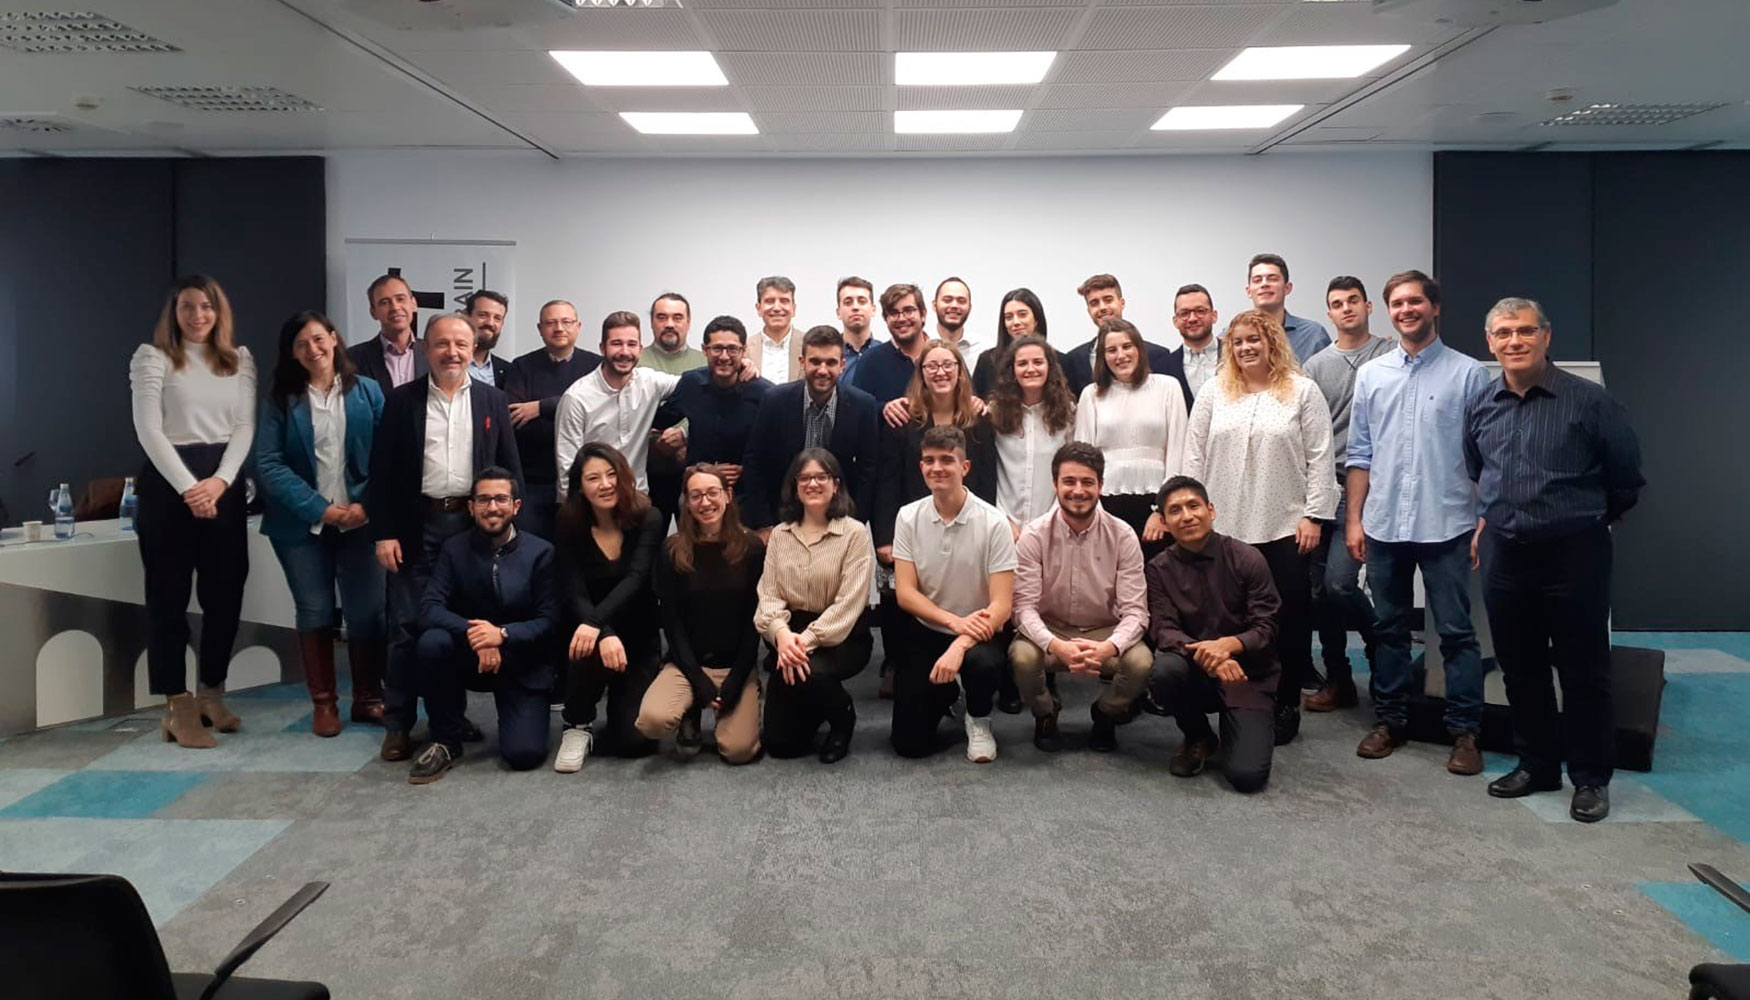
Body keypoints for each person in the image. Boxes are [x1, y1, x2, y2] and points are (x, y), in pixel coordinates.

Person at [1467, 297, 1644, 823]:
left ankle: (1589, 778)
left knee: (1584, 671)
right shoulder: (1482, 403)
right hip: (1505, 553)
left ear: (1546, 337)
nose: (1513, 342)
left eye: (1524, 331)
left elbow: (1625, 481)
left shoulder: (1591, 402)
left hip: (1574, 554)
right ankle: (1537, 764)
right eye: (1503, 333)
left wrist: (1576, 519)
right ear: (1490, 342)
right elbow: (1478, 467)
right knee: (1519, 668)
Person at [1346, 270, 1491, 775]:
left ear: (1435, 308)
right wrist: (1354, 521)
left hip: (1446, 524)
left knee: (1455, 632)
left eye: (1415, 302)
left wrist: (1479, 521)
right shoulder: (1372, 376)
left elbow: (1482, 456)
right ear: (1389, 311)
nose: (1406, 310)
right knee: (1387, 629)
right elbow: (1360, 453)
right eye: (1398, 303)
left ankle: (1465, 732)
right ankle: (1389, 721)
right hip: (1384, 523)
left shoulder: (1469, 374)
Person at [368, 313, 523, 762]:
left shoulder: (493, 400)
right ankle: (397, 724)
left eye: (461, 343)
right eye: (442, 344)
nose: (452, 352)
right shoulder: (400, 401)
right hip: (418, 526)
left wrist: (509, 531)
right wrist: (384, 533)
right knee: (405, 628)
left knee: (461, 627)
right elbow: (382, 474)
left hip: (475, 528)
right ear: (424, 348)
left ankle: (448, 720)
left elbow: (509, 470)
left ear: (473, 347)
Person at [1183, 309, 1334, 745]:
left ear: (1272, 343)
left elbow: (1321, 457)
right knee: (1226, 617)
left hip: (1284, 526)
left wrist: (1314, 514)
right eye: (1238, 341)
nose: (1246, 347)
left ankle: (1285, 702)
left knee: (1286, 617)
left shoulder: (1302, 392)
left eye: (1255, 340)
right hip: (1224, 525)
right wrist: (1189, 512)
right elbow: (1193, 457)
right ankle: (1232, 699)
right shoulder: (1215, 392)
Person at [129, 274, 257, 748]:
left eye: (207, 306)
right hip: (169, 485)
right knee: (168, 598)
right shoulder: (152, 357)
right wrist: (189, 488)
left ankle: (211, 693)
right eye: (188, 307)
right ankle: (177, 705)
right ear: (174, 312)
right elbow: (148, 430)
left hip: (222, 480)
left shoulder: (239, 360)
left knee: (225, 594)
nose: (198, 315)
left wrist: (220, 482)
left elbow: (244, 426)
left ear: (218, 312)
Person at [253, 310, 387, 737]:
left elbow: (390, 453)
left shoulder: (366, 390)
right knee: (315, 609)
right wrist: (321, 510)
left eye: (318, 339)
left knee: (367, 613)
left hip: (362, 522)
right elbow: (269, 465)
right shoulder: (280, 401)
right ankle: (324, 704)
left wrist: (367, 504)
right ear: (291, 354)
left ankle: (368, 699)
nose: (312, 349)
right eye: (300, 345)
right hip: (301, 526)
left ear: (333, 338)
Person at [406, 467, 559, 784]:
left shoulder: (542, 553)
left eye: (501, 499)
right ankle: (446, 739)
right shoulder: (454, 549)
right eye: (484, 499)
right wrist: (477, 635)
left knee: (524, 755)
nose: (492, 507)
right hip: (470, 656)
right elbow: (429, 607)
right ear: (471, 507)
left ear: (516, 506)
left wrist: (502, 635)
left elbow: (550, 621)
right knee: (432, 642)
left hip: (522, 662)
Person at [1010, 443, 1153, 753]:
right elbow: (1023, 609)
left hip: (1105, 630)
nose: (1078, 490)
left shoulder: (1123, 535)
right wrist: (1055, 644)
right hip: (1051, 628)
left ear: (1101, 485)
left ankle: (1106, 713)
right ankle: (1046, 713)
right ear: (1055, 485)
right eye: (1069, 481)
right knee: (1022, 657)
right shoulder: (1034, 535)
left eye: (1087, 482)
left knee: (1141, 662)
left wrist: (1109, 648)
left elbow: (1136, 613)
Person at [1146, 476, 1282, 793]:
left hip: (1247, 675)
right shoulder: (1159, 568)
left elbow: (1268, 624)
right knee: (1163, 671)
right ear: (1164, 523)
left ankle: (1243, 727)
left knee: (1247, 777)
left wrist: (1228, 646)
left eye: (1194, 506)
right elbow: (1164, 630)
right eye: (1176, 511)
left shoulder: (1247, 557)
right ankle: (1199, 735)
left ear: (1211, 510)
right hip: (1197, 671)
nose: (1187, 516)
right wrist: (1210, 657)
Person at [890, 426, 1016, 762]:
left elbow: (1003, 604)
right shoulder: (908, 516)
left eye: (947, 459)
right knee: (909, 744)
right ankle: (947, 692)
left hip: (980, 634)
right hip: (929, 628)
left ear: (965, 468)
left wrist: (961, 641)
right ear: (921, 468)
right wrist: (953, 623)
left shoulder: (994, 523)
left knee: (983, 663)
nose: (937, 468)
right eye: (929, 460)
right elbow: (905, 593)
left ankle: (978, 717)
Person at [1301, 277, 1393, 712]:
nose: (1346, 309)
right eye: (1337, 304)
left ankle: (1383, 656)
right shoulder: (1317, 365)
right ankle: (1339, 680)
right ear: (1330, 314)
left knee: (1360, 583)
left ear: (1368, 306)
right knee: (1325, 591)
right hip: (1329, 483)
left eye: (1353, 301)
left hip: (1380, 485)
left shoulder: (1390, 353)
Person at [634, 464, 767, 764]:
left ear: (728, 495)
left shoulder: (752, 548)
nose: (705, 503)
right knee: (652, 721)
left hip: (736, 664)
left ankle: (745, 697)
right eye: (696, 496)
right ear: (687, 503)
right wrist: (698, 681)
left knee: (739, 751)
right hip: (687, 663)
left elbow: (755, 621)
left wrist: (736, 680)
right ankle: (689, 710)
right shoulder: (672, 550)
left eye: (712, 493)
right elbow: (672, 623)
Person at [754, 449, 876, 763]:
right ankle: (815, 705)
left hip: (843, 639)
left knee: (812, 675)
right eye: (805, 477)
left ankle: (842, 718)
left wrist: (801, 643)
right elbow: (768, 596)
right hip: (789, 639)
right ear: (794, 485)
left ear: (836, 484)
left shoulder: (854, 533)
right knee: (782, 745)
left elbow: (848, 605)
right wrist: (782, 635)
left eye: (821, 477)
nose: (812, 484)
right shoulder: (780, 535)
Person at [552, 442, 667, 770]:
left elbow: (636, 577)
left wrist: (597, 622)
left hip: (639, 635)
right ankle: (577, 724)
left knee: (635, 742)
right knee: (584, 643)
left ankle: (622, 696)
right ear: (580, 486)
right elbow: (572, 590)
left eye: (611, 474)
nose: (604, 484)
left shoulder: (649, 517)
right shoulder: (567, 521)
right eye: (593, 478)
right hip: (589, 633)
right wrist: (602, 630)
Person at [739, 326, 882, 532]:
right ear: (802, 362)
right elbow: (754, 461)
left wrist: (855, 523)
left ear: (842, 365)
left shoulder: (863, 405)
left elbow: (868, 470)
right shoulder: (774, 401)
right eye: (815, 361)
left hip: (839, 517)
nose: (822, 370)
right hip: (781, 516)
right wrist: (764, 524)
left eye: (831, 362)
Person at [1072, 318, 1189, 561]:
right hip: (1106, 507)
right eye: (1111, 350)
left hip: (1157, 506)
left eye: (1127, 347)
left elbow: (1179, 450)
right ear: (1103, 357)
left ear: (1139, 349)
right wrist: (1095, 514)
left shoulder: (1168, 387)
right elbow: (1083, 461)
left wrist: (1164, 510)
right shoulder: (1091, 394)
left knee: (1158, 582)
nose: (1120, 355)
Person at [553, 311, 683, 500]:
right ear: (602, 348)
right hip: (593, 506)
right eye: (616, 344)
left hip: (637, 499)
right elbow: (568, 468)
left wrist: (741, 364)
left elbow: (694, 384)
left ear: (640, 349)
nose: (624, 352)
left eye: (631, 344)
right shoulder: (576, 398)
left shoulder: (650, 382)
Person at [504, 299, 601, 541]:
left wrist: (540, 407)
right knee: (534, 550)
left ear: (578, 326)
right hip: (534, 481)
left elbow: (596, 410)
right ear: (540, 329)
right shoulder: (521, 366)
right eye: (551, 323)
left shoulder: (596, 367)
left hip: (583, 481)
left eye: (566, 322)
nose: (559, 328)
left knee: (577, 552)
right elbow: (516, 418)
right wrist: (571, 411)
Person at [654, 317, 773, 492]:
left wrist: (745, 470)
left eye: (732, 349)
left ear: (744, 350)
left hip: (746, 492)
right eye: (717, 348)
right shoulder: (691, 384)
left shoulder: (764, 394)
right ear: (705, 350)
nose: (724, 357)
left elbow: (772, 448)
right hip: (698, 491)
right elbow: (658, 421)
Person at [987, 335, 1076, 539]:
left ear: (1050, 367)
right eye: (1022, 363)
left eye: (1038, 362)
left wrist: (1050, 520)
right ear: (1012, 370)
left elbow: (1070, 470)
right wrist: (1002, 520)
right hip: (1003, 528)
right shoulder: (994, 414)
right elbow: (988, 473)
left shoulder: (1069, 414)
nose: (1030, 369)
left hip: (1053, 528)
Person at [1062, 273, 1189, 403]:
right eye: (1094, 303)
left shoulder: (1158, 355)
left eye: (1108, 300)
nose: (1102, 307)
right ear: (1088, 310)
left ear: (1121, 303)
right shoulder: (1073, 360)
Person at [639, 292, 705, 529]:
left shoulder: (706, 362)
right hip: (647, 472)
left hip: (694, 468)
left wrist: (683, 433)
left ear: (688, 322)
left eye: (677, 317)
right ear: (652, 322)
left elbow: (710, 407)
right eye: (662, 317)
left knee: (696, 540)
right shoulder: (635, 361)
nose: (669, 324)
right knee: (649, 540)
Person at [847, 282, 932, 406]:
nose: (902, 318)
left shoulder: (944, 357)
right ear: (885, 319)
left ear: (923, 314)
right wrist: (883, 409)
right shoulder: (870, 361)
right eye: (894, 313)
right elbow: (856, 411)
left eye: (908, 311)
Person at [972, 287, 1062, 397]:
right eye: (1009, 317)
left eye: (1022, 314)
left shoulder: (1060, 360)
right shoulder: (988, 361)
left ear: (1036, 319)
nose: (1015, 322)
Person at [1243, 253, 1331, 364]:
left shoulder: (1314, 334)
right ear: (1248, 291)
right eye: (1257, 280)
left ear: (1287, 288)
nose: (1264, 284)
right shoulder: (1231, 336)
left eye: (1272, 279)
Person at [349, 272, 428, 389]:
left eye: (400, 299)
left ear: (413, 304)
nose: (395, 307)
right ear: (373, 312)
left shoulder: (432, 353)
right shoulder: (352, 359)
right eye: (384, 302)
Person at [1168, 284, 1221, 400]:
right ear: (1175, 321)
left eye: (1200, 311)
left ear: (1214, 316)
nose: (1192, 318)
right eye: (1184, 313)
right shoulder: (1163, 368)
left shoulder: (1236, 356)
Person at [750, 275, 801, 383]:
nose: (777, 308)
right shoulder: (744, 349)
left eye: (784, 301)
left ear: (794, 309)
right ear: (759, 308)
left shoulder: (809, 345)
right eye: (770, 301)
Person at [463, 289, 512, 387]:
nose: (490, 323)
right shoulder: (446, 361)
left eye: (497, 318)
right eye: (482, 315)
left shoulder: (509, 370)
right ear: (466, 316)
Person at [836, 276, 879, 378]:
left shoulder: (887, 356)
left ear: (873, 309)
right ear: (838, 312)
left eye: (862, 301)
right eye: (848, 302)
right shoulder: (830, 358)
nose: (855, 307)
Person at [932, 277, 982, 363]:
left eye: (961, 301)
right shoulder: (920, 346)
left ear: (969, 308)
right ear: (934, 305)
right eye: (947, 300)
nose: (954, 305)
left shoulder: (984, 349)